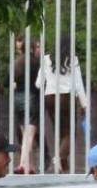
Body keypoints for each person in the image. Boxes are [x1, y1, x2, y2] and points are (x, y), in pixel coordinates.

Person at [35, 37, 88, 173]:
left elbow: (38, 83)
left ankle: (63, 166)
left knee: (59, 132)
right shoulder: (72, 59)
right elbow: (78, 84)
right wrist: (84, 104)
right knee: (70, 133)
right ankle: (58, 159)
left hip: (50, 97)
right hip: (66, 97)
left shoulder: (46, 59)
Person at [10, 37, 42, 173]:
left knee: (25, 135)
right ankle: (22, 164)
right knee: (29, 136)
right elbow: (39, 84)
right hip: (31, 98)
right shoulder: (36, 63)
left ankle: (31, 167)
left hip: (17, 98)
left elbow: (7, 81)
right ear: (32, 48)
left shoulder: (16, 62)